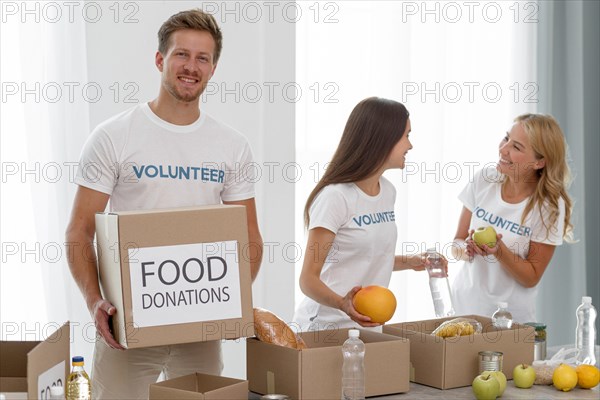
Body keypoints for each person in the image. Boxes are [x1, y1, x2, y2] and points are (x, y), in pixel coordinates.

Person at [65, 9, 263, 399]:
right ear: (160, 60)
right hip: (127, 324)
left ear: (213, 67)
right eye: (181, 55)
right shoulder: (114, 136)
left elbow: (249, 237)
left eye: (202, 58)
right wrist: (94, 303)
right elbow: (79, 231)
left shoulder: (232, 145)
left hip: (199, 324)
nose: (191, 67)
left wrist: (229, 302)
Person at [292, 97, 444, 332]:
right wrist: (343, 304)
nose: (410, 146)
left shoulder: (388, 192)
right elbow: (308, 280)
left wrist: (414, 261)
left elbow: (368, 257)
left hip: (366, 328)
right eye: (406, 136)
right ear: (384, 139)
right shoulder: (335, 198)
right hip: (326, 327)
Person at [451, 113, 573, 323]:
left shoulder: (549, 207)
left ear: (539, 162)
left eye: (516, 147)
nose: (503, 149)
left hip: (508, 321)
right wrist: (466, 250)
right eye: (506, 138)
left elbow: (531, 277)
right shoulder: (484, 179)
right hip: (463, 308)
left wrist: (499, 251)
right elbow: (457, 243)